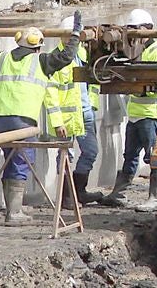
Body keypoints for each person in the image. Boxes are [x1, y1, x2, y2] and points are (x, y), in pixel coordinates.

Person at [0, 11, 82, 225]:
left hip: (0, 120)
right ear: (37, 46)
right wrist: (76, 35)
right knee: (21, 161)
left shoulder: (1, 59)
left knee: (10, 159)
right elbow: (66, 56)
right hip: (22, 120)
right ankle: (13, 213)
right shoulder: (40, 61)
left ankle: (13, 208)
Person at [102, 8, 157, 205]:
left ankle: (155, 197)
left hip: (151, 115)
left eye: (136, 30)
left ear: (147, 30)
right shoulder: (134, 51)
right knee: (130, 156)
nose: (132, 35)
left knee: (154, 158)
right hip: (135, 115)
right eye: (130, 30)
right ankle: (118, 194)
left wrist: (140, 89)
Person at [44, 16, 106, 206]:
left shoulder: (84, 54)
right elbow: (50, 93)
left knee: (91, 151)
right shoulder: (55, 59)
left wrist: (93, 105)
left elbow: (94, 81)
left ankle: (79, 191)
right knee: (65, 157)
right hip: (65, 118)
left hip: (84, 113)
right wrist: (57, 122)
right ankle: (66, 197)